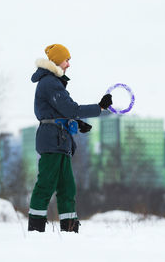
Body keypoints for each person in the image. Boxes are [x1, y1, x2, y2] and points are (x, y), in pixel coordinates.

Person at [28, 44, 112, 233]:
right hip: (52, 140)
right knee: (46, 185)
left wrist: (76, 124)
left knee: (67, 188)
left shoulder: (53, 82)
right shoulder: (49, 82)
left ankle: (69, 228)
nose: (68, 64)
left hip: (60, 141)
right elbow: (71, 109)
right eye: (67, 60)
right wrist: (99, 107)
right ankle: (35, 228)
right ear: (57, 61)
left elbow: (61, 112)